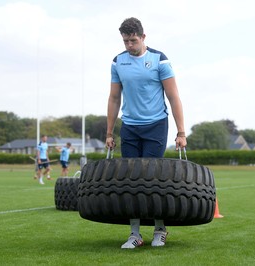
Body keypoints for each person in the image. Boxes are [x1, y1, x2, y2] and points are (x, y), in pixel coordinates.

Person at [106, 17, 187, 249]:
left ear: (143, 37)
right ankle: (135, 234)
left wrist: (181, 131)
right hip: (129, 126)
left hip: (155, 124)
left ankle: (160, 230)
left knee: (152, 178)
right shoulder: (117, 62)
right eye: (125, 41)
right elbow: (113, 98)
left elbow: (173, 97)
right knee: (130, 178)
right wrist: (109, 133)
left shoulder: (159, 60)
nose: (129, 46)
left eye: (133, 40)